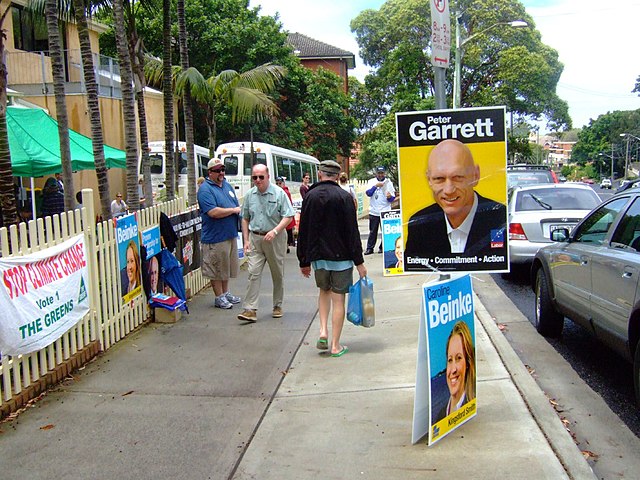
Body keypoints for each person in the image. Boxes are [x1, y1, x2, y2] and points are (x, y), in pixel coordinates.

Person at [297, 160, 367, 357]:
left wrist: (304, 260)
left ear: (320, 174)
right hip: (342, 259)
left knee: (323, 292)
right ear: (337, 176)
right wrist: (359, 262)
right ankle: (335, 345)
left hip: (319, 259)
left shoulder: (309, 196)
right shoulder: (344, 197)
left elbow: (304, 231)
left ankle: (322, 331)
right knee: (339, 301)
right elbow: (352, 233)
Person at [405, 139, 506, 261]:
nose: (448, 190)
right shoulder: (419, 225)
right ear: (429, 180)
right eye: (439, 178)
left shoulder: (499, 216)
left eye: (458, 177)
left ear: (476, 175)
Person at [237, 164, 295, 322]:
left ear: (268, 176)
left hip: (275, 239)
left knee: (277, 274)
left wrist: (275, 231)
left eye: (261, 177)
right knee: (253, 273)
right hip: (256, 238)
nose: (258, 180)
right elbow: (245, 217)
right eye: (254, 177)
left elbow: (288, 216)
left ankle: (277, 305)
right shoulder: (250, 195)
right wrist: (246, 240)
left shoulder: (279, 193)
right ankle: (250, 309)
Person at [197, 158, 243, 309]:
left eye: (222, 170)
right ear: (210, 173)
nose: (221, 173)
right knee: (216, 267)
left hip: (229, 234)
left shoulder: (226, 186)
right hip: (215, 236)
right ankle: (219, 296)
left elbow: (235, 203)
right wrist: (233, 211)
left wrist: (236, 210)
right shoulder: (205, 189)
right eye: (217, 171)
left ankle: (225, 292)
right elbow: (212, 212)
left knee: (226, 267)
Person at [434, 321, 476, 423]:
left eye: (458, 358)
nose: (453, 370)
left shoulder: (469, 404)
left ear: (468, 362)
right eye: (450, 360)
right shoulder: (440, 416)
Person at [364, 165, 395, 255]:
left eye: (382, 173)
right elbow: (368, 193)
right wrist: (375, 186)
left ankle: (383, 247)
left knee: (385, 231)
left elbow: (392, 199)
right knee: (373, 231)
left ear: (385, 173)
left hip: (385, 210)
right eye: (379, 173)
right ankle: (370, 248)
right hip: (374, 211)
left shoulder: (388, 182)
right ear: (376, 173)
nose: (380, 175)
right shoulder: (371, 182)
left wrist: (390, 197)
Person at [275, 176, 296, 252]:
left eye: (280, 183)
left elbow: (289, 204)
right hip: (279, 214)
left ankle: (286, 246)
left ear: (283, 183)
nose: (278, 185)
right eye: (277, 183)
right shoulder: (276, 191)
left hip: (285, 214)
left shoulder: (286, 192)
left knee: (286, 231)